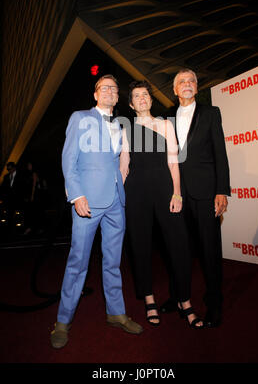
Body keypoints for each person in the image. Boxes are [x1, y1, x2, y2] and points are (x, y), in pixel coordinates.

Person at [50, 74, 143, 349]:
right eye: (104, 88)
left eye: (114, 89)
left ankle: (115, 313)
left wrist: (121, 185)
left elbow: (119, 162)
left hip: (116, 201)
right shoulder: (80, 117)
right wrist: (76, 194)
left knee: (113, 262)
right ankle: (63, 321)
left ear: (117, 97)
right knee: (78, 263)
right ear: (95, 94)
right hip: (87, 202)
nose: (110, 91)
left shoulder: (120, 124)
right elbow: (69, 159)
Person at [120, 81, 203, 328]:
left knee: (179, 244)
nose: (142, 98)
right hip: (136, 192)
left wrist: (177, 193)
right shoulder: (126, 129)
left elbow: (174, 163)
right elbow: (124, 165)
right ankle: (149, 299)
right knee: (140, 246)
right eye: (137, 96)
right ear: (132, 104)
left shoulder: (166, 124)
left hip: (165, 189)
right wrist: (118, 196)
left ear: (150, 100)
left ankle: (184, 300)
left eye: (145, 94)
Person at [160, 68, 230, 327]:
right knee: (177, 249)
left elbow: (220, 154)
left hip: (205, 193)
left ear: (197, 88)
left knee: (210, 250)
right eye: (182, 82)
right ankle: (178, 296)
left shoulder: (211, 113)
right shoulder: (164, 116)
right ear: (175, 89)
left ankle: (215, 303)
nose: (187, 84)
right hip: (175, 194)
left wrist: (222, 190)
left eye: (192, 81)